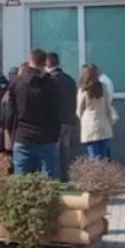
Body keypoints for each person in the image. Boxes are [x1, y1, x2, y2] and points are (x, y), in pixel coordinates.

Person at [6, 49, 60, 178]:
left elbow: (10, 113)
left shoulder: (17, 83)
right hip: (46, 136)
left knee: (21, 180)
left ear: (30, 60)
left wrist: (10, 134)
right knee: (49, 179)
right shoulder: (51, 83)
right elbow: (55, 111)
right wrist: (56, 134)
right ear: (45, 63)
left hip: (23, 135)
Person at [46, 53, 78, 181]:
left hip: (53, 121)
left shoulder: (49, 80)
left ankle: (54, 179)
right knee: (65, 150)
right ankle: (65, 178)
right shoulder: (70, 80)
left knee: (52, 151)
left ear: (47, 63)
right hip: (68, 119)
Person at [77, 64, 115, 160]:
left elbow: (79, 110)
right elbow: (108, 105)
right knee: (104, 156)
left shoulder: (83, 90)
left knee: (94, 157)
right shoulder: (103, 87)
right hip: (103, 124)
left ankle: (97, 170)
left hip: (90, 126)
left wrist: (82, 117)